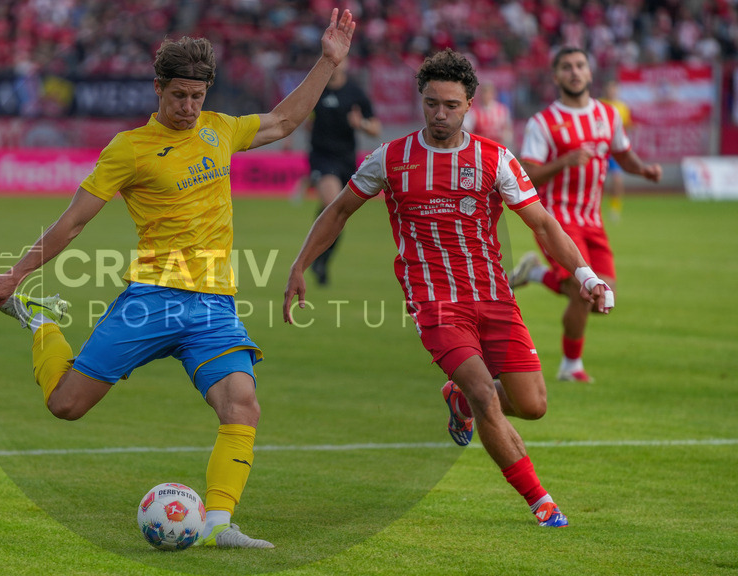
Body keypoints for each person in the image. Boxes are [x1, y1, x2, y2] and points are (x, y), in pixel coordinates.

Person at [0, 9, 356, 549]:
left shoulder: (220, 131)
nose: (188, 107)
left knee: (241, 403)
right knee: (66, 405)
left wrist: (327, 61)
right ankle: (40, 320)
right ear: (158, 88)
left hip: (214, 307)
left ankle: (220, 526)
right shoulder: (129, 149)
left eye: (197, 96)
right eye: (179, 95)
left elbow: (283, 121)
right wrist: (16, 275)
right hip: (151, 298)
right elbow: (74, 220)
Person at [283, 48, 615, 527]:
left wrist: (585, 275)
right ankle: (541, 502)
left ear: (469, 105)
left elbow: (543, 224)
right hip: (435, 303)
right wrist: (299, 265)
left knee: (533, 405)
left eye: (451, 105)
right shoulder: (391, 158)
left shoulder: (494, 158)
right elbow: (337, 211)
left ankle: (456, 399)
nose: (440, 114)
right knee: (484, 393)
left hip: (495, 297)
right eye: (432, 103)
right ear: (421, 100)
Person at [509, 47, 661, 383]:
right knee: (583, 290)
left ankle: (534, 274)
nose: (575, 72)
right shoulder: (543, 122)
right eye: (566, 67)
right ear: (556, 76)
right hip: (557, 220)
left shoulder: (608, 116)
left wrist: (644, 170)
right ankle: (570, 366)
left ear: (590, 73)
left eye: (580, 66)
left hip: (593, 220)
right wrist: (565, 160)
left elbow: (622, 152)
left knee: (605, 297)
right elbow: (527, 175)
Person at [305, 57, 381, 286]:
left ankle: (322, 259)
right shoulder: (315, 89)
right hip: (322, 157)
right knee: (332, 203)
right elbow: (304, 117)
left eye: (342, 60)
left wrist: (362, 125)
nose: (337, 64)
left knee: (339, 215)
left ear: (347, 63)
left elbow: (376, 128)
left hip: (346, 159)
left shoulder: (355, 93)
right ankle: (316, 256)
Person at [599, 79, 631, 223]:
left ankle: (615, 209)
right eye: (609, 89)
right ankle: (594, 208)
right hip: (600, 148)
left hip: (614, 151)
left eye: (614, 89)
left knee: (617, 180)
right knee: (596, 180)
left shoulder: (622, 107)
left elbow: (625, 126)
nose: (611, 91)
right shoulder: (599, 104)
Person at [463, 81, 513, 148]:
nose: (486, 95)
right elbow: (467, 130)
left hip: (497, 147)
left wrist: (504, 136)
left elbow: (508, 131)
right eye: (484, 92)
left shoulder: (502, 110)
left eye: (489, 92)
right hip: (480, 148)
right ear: (480, 94)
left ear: (493, 94)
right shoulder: (474, 111)